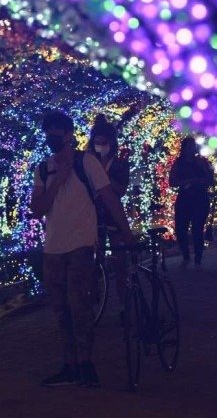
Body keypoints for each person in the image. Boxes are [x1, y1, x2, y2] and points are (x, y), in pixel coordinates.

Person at [30, 110, 133, 388]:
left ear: (68, 134)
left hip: (81, 244)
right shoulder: (43, 169)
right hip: (53, 247)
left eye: (57, 131)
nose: (52, 137)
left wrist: (126, 233)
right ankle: (70, 363)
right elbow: (37, 208)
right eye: (48, 131)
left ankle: (86, 363)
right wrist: (59, 180)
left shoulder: (86, 162)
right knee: (60, 308)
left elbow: (110, 198)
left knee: (80, 304)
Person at [87, 115, 130, 304]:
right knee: (93, 259)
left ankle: (124, 301)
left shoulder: (120, 164)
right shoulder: (87, 162)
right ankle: (94, 297)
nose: (101, 146)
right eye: (97, 142)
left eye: (104, 142)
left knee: (120, 259)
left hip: (112, 213)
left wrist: (103, 179)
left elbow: (120, 189)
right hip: (92, 214)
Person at [169, 136, 214, 267]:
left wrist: (199, 181)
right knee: (180, 229)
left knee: (197, 229)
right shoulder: (179, 163)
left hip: (200, 198)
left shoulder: (202, 162)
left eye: (192, 146)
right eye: (188, 146)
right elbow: (172, 181)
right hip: (184, 198)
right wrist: (186, 182)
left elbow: (210, 179)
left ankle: (198, 258)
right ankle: (186, 255)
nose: (190, 149)